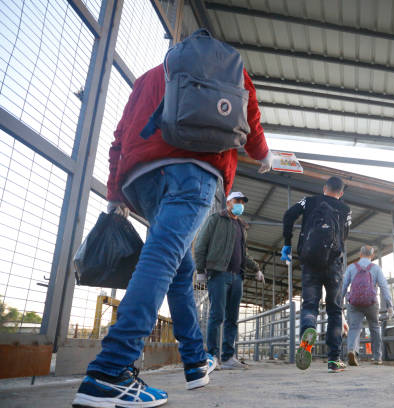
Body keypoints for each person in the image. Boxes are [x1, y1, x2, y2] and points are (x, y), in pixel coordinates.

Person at [72, 60, 272, 406]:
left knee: (178, 265)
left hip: (142, 180)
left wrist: (116, 193)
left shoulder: (149, 78)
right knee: (163, 258)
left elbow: (119, 137)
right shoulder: (225, 68)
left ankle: (195, 362)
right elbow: (248, 114)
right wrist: (263, 153)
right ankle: (109, 371)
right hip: (193, 172)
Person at [281, 176, 351, 373]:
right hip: (334, 265)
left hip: (310, 262)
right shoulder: (345, 210)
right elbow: (344, 236)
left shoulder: (309, 201)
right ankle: (334, 360)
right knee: (335, 310)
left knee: (310, 306)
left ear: (324, 188)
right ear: (341, 193)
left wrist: (287, 242)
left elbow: (288, 215)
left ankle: (306, 337)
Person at [193, 191, 263, 370]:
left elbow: (243, 254)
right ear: (228, 202)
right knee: (217, 315)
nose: (240, 204)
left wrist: (256, 269)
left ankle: (228, 356)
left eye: (242, 201)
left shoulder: (241, 226)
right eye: (237, 200)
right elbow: (201, 243)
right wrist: (200, 270)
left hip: (237, 276)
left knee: (232, 318)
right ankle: (212, 356)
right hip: (218, 273)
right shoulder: (216, 219)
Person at [342, 245, 393, 366]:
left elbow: (343, 286)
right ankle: (377, 357)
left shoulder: (351, 267)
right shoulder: (376, 268)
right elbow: (384, 287)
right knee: (375, 327)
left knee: (354, 328)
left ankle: (352, 351)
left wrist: (338, 303)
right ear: (372, 255)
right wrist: (389, 305)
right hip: (371, 303)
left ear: (360, 254)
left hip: (354, 303)